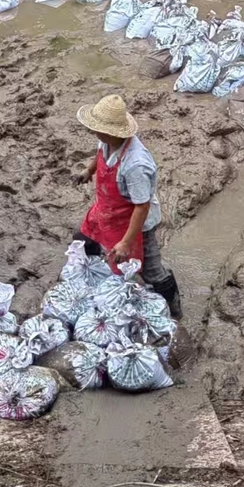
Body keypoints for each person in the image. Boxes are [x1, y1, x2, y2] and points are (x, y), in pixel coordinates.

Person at [76, 93, 182, 318]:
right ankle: (91, 272)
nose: (93, 131)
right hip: (107, 210)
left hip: (135, 221)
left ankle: (174, 311)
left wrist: (126, 242)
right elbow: (99, 153)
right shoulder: (107, 140)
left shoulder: (135, 165)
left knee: (152, 271)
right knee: (84, 238)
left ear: (111, 131)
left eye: (97, 128)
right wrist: (89, 170)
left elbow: (141, 207)